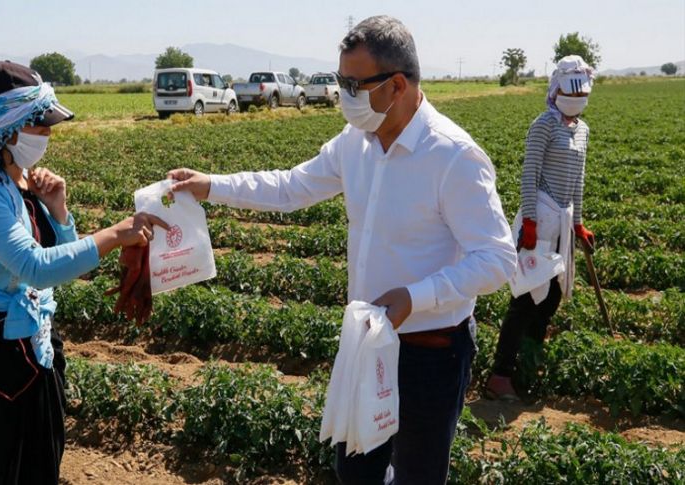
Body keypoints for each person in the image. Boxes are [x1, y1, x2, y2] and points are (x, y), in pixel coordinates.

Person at [167, 16, 516, 485]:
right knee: (355, 471)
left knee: (418, 474)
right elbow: (291, 187)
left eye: (354, 84)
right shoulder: (356, 144)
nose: (344, 94)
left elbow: (496, 259)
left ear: (396, 85)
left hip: (431, 352)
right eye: (340, 81)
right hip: (366, 342)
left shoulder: (452, 157)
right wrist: (212, 186)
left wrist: (418, 296)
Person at [0, 60, 167, 484]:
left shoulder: (18, 183)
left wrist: (58, 210)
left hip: (35, 350)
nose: (48, 134)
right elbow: (33, 267)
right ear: (9, 125)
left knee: (38, 467)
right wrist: (115, 234)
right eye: (39, 124)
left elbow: (54, 257)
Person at [485, 55, 596, 401]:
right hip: (541, 218)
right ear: (556, 89)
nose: (576, 100)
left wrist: (578, 225)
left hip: (562, 219)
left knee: (550, 299)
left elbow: (578, 180)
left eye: (581, 94)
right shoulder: (543, 125)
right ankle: (500, 375)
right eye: (570, 92)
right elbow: (529, 175)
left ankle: (528, 361)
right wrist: (530, 221)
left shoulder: (582, 131)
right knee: (526, 296)